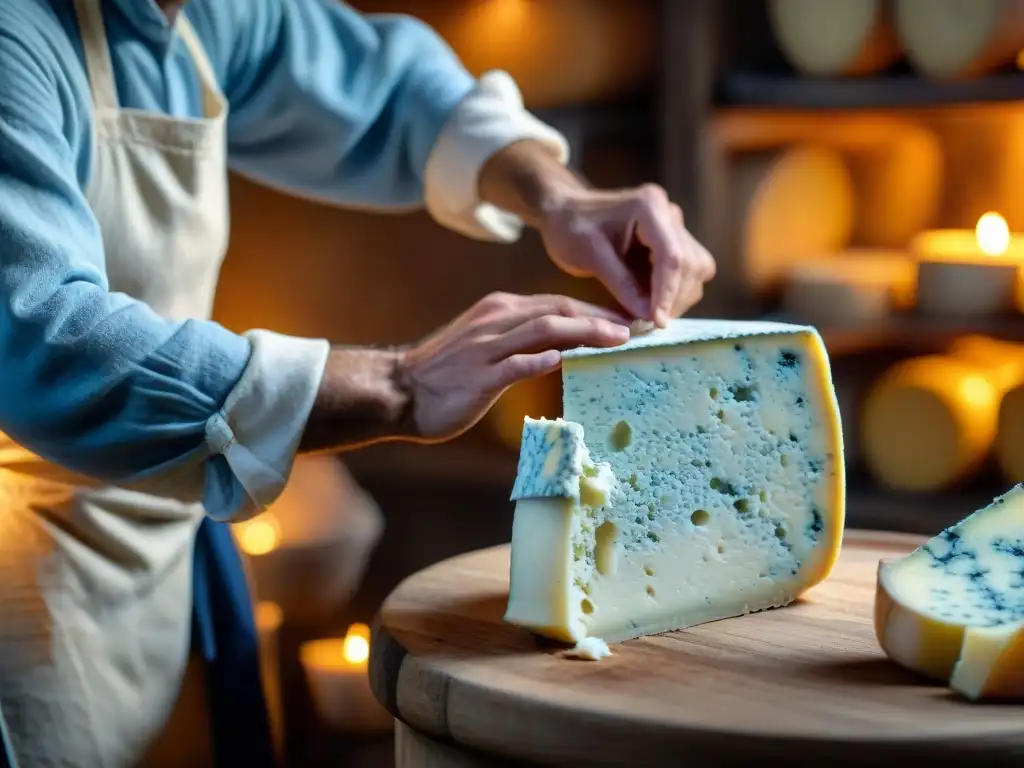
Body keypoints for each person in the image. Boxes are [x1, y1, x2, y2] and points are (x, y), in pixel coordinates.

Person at [0, 0, 716, 765]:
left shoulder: (198, 18)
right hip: (23, 588)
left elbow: (386, 83)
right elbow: (43, 341)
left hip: (155, 555)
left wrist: (559, 195)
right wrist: (400, 385)